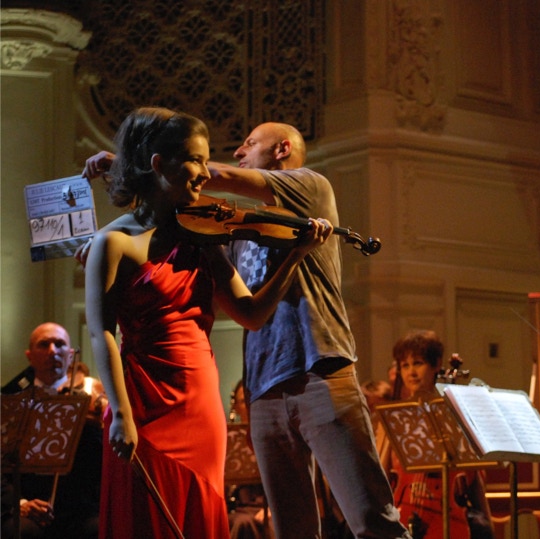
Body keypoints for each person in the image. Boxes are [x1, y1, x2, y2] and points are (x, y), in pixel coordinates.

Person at [82, 108, 331, 539]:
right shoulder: (113, 242)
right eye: (195, 160)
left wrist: (296, 256)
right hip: (141, 402)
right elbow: (101, 331)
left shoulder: (202, 238)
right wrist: (120, 413)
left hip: (199, 402)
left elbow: (251, 315)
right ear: (159, 164)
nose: (204, 173)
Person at [197, 121, 411, 539]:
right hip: (263, 390)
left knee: (373, 523)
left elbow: (218, 174)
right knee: (292, 531)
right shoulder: (239, 231)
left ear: (281, 149)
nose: (239, 151)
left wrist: (143, 165)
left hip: (321, 374)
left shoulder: (310, 185)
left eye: (250, 143)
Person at [380, 329, 494, 539]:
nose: (411, 372)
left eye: (418, 363)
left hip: (445, 511)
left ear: (436, 365)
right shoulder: (397, 415)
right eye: (405, 365)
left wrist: (489, 523)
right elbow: (382, 473)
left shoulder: (453, 413)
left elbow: (473, 478)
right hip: (403, 506)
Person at [1, 322, 106, 539]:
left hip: (79, 506)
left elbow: (100, 462)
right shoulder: (11, 399)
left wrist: (97, 424)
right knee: (21, 531)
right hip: (28, 502)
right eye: (44, 344)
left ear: (70, 355)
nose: (53, 351)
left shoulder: (91, 396)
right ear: (30, 356)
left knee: (98, 529)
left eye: (59, 344)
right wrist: (20, 503)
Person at [227, 380, 271, 539]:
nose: (248, 404)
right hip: (241, 508)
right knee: (240, 522)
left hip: (269, 505)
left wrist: (272, 509)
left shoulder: (271, 433)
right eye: (243, 401)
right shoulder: (231, 439)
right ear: (236, 407)